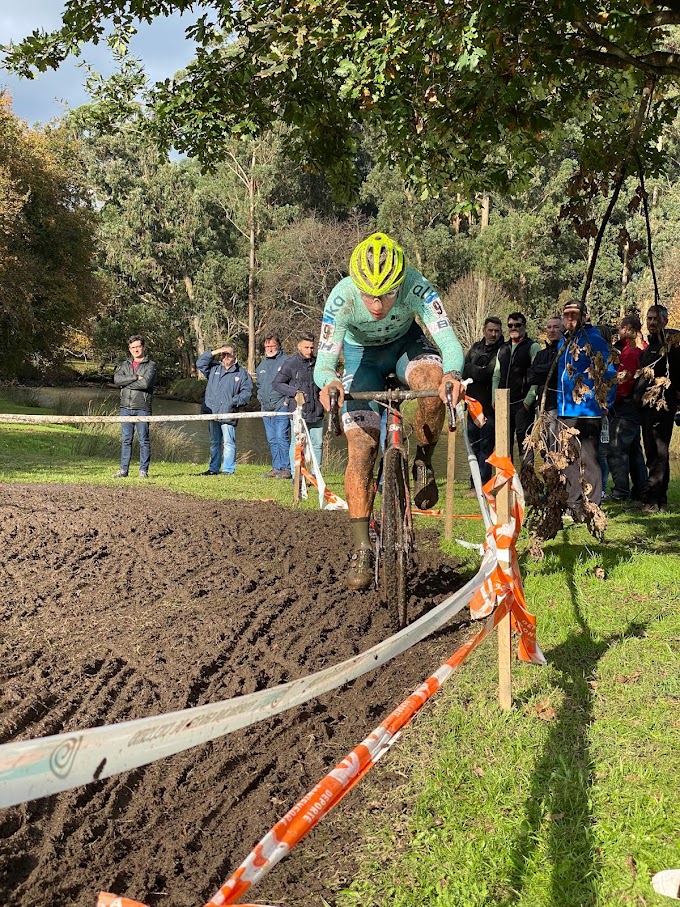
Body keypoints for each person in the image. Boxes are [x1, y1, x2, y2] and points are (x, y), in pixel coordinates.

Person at [314, 232, 464, 591]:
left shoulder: (417, 284)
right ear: (356, 286)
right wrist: (330, 385)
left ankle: (423, 459)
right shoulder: (341, 296)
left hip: (405, 346)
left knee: (431, 385)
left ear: (402, 283)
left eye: (388, 295)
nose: (378, 305)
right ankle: (362, 547)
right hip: (359, 357)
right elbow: (323, 364)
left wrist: (452, 375)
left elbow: (448, 342)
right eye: (369, 296)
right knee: (361, 449)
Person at [557, 300, 617, 518]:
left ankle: (592, 504)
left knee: (588, 458)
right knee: (568, 458)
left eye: (575, 314)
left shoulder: (594, 340)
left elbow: (609, 374)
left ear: (586, 316)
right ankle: (572, 503)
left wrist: (606, 403)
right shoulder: (563, 343)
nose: (570, 319)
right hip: (566, 409)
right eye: (566, 315)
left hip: (588, 409)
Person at [634, 304, 680, 512]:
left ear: (665, 321)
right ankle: (658, 499)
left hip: (662, 407)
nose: (652, 322)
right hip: (646, 408)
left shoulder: (670, 346)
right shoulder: (650, 347)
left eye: (656, 319)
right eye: (649, 318)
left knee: (658, 453)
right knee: (652, 452)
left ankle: (652, 501)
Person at [607, 315, 647, 503]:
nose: (620, 333)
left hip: (626, 406)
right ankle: (641, 488)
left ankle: (621, 491)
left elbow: (624, 382)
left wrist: (612, 401)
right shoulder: (642, 348)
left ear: (627, 329)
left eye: (622, 329)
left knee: (616, 448)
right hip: (635, 407)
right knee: (633, 449)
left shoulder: (631, 352)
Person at [196, 344, 253, 476]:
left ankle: (228, 470)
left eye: (228, 354)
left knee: (228, 442)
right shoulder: (213, 369)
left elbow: (247, 394)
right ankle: (213, 468)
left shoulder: (242, 373)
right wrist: (217, 351)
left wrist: (232, 402)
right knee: (214, 442)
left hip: (228, 413)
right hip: (212, 413)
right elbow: (200, 362)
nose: (226, 357)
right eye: (223, 354)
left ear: (235, 355)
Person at [273, 333, 324, 477]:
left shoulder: (318, 363)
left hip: (317, 410)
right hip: (298, 411)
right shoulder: (290, 363)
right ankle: (296, 477)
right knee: (297, 444)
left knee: (317, 444)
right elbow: (276, 384)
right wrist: (294, 392)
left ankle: (316, 476)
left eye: (312, 347)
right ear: (299, 347)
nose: (309, 351)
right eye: (306, 347)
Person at [492, 312, 541, 460]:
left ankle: (527, 481)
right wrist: (494, 398)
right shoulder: (503, 348)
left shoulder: (533, 346)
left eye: (517, 325)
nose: (514, 328)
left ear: (524, 327)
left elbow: (537, 376)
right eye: (510, 325)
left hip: (522, 404)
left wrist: (528, 401)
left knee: (524, 445)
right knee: (503, 445)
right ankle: (507, 482)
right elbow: (496, 374)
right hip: (503, 403)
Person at [462, 316, 503, 487]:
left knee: (486, 447)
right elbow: (463, 368)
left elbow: (488, 373)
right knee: (473, 446)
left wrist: (472, 369)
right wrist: (472, 370)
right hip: (471, 405)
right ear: (484, 330)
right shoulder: (475, 348)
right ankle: (474, 484)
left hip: (489, 408)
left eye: (497, 331)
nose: (493, 334)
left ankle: (484, 483)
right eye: (490, 330)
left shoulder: (502, 350)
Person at [112, 335, 157, 479]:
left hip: (142, 406)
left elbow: (145, 384)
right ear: (129, 349)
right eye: (133, 347)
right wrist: (135, 377)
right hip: (125, 406)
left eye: (138, 346)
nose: (136, 350)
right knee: (126, 439)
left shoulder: (150, 365)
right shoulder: (125, 364)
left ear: (143, 347)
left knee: (143, 439)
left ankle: (143, 470)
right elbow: (116, 379)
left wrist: (126, 382)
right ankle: (123, 470)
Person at [524, 315, 563, 455]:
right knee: (544, 448)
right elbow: (530, 376)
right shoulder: (541, 354)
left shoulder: (564, 352)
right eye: (549, 327)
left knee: (555, 448)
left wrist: (542, 370)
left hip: (557, 407)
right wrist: (549, 369)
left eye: (556, 327)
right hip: (541, 407)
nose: (552, 330)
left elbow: (558, 369)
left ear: (563, 329)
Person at [256, 334, 290, 479]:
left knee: (281, 436)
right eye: (267, 346)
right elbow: (258, 385)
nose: (270, 348)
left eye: (272, 345)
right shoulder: (261, 366)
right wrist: (260, 399)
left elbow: (293, 382)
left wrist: (287, 400)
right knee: (271, 438)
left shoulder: (286, 361)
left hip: (281, 405)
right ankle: (276, 468)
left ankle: (286, 469)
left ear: (278, 345)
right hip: (266, 407)